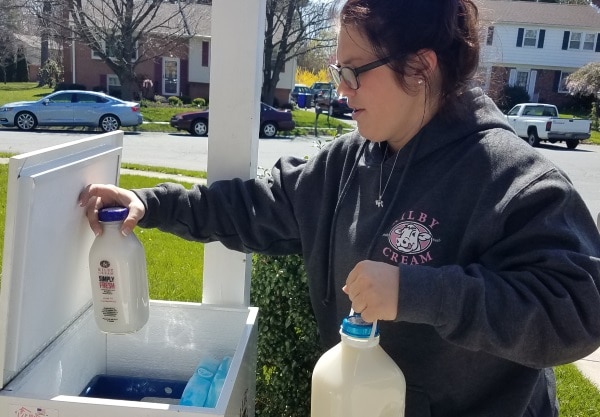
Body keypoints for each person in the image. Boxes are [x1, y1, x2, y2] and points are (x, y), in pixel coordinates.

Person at [79, 0, 600, 415]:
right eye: (337, 71)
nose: (341, 90)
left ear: (419, 67)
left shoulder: (510, 177)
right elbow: (257, 207)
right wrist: (149, 204)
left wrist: (420, 293)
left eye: (353, 72)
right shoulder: (351, 161)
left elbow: (579, 310)